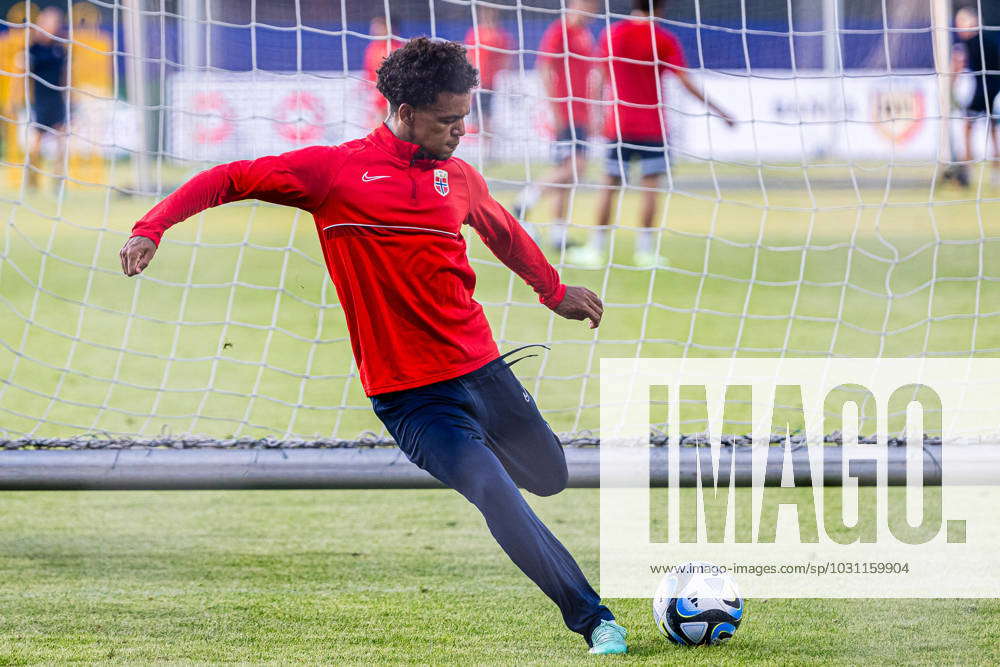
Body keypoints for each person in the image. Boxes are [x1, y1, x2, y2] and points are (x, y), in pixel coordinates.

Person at [119, 38, 626, 655]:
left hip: (485, 372)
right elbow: (230, 177)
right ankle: (594, 618)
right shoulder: (333, 173)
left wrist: (553, 291)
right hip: (412, 397)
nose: (461, 131)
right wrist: (151, 228)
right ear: (405, 110)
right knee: (494, 490)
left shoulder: (458, 177)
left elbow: (504, 231)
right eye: (448, 120)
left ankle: (487, 448)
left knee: (549, 477)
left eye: (465, 118)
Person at [568, 0, 733, 268]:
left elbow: (598, 78)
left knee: (609, 187)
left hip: (619, 126)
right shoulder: (663, 39)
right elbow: (685, 81)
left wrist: (596, 115)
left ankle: (595, 250)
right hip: (652, 127)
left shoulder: (613, 34)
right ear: (660, 9)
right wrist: (720, 112)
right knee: (650, 189)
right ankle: (645, 253)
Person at [514, 0, 598, 251]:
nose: (592, 9)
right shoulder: (560, 30)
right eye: (588, 4)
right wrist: (555, 109)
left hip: (581, 114)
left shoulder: (585, 34)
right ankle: (526, 198)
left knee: (568, 176)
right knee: (576, 168)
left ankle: (558, 236)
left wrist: (593, 112)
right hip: (566, 113)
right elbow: (544, 68)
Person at [953, 7, 1000, 187]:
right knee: (993, 131)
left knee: (968, 127)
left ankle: (967, 171)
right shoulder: (988, 39)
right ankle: (995, 173)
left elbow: (958, 64)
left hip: (984, 92)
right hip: (995, 91)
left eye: (960, 23)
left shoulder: (970, 43)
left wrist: (950, 86)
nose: (958, 28)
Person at [27, 7, 68, 191]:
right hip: (40, 100)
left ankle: (58, 180)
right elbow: (24, 76)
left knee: (62, 139)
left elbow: (65, 75)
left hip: (57, 99)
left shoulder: (60, 48)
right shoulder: (33, 49)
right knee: (37, 141)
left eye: (56, 22)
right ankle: (32, 177)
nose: (54, 26)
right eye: (50, 22)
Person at [464, 5, 513, 139]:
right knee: (476, 114)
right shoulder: (475, 33)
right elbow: (469, 56)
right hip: (476, 82)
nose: (488, 17)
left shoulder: (501, 35)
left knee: (486, 114)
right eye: (485, 14)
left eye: (491, 14)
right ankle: (484, 143)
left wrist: (505, 76)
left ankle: (487, 145)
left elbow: (507, 59)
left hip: (492, 82)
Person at [361, 16, 403, 130]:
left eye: (378, 26)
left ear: (388, 28)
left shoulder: (397, 49)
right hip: (377, 97)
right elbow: (369, 73)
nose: (373, 29)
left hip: (393, 98)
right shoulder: (372, 48)